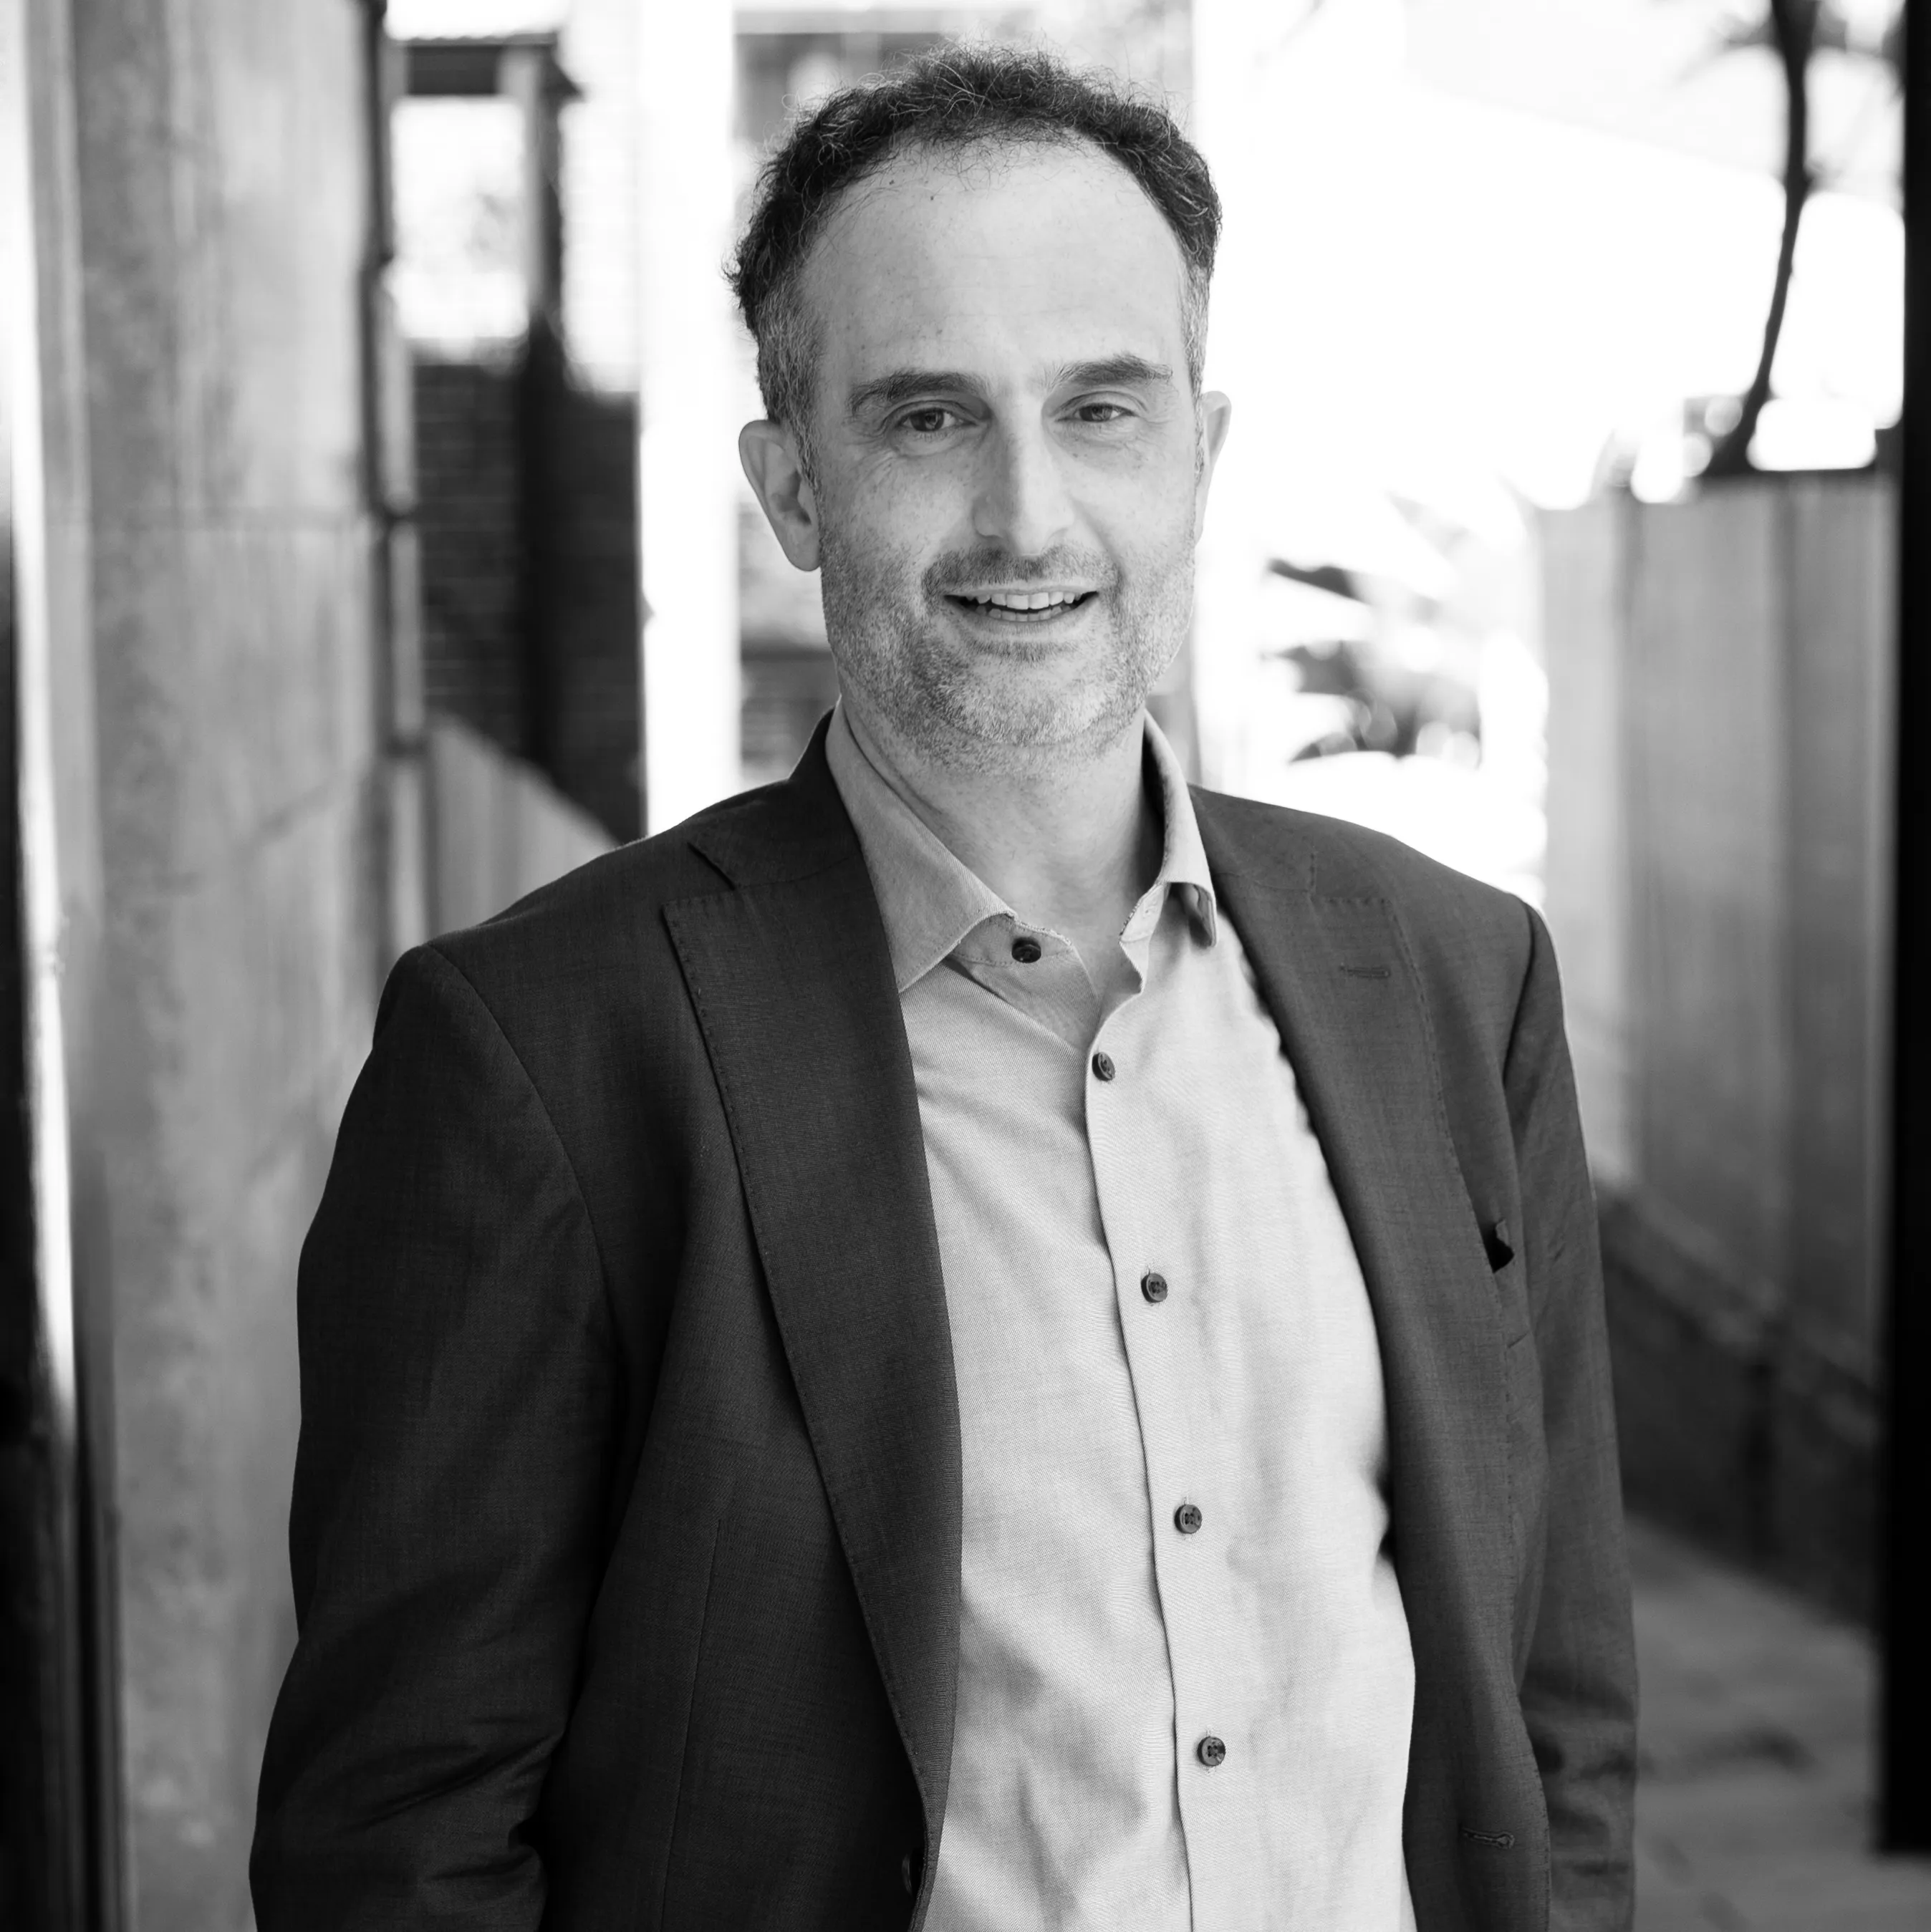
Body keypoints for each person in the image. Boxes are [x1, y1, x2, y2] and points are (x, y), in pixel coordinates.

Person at [251, 43, 1634, 1932]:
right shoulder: (542, 1058)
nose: (1027, 517)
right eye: (924, 417)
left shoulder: (1465, 984)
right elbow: (398, 1841)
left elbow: (1553, 1708)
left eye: (1102, 409)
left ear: (1202, 459)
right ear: (791, 482)